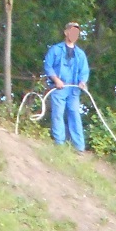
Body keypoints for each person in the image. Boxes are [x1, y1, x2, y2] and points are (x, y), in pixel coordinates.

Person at [43, 21, 90, 152]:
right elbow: (48, 66)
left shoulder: (80, 54)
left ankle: (79, 147)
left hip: (74, 90)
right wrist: (56, 80)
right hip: (59, 88)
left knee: (75, 114)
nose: (75, 34)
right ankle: (59, 144)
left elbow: (84, 71)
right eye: (72, 31)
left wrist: (82, 82)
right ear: (66, 32)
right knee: (58, 114)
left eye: (77, 32)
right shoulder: (55, 50)